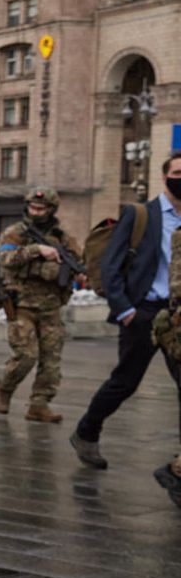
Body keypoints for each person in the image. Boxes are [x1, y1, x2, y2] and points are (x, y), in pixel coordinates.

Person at [71, 154, 181, 470]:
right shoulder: (140, 214)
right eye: (177, 172)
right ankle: (87, 431)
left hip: (177, 315)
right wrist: (125, 310)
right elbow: (110, 265)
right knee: (126, 381)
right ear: (165, 177)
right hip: (143, 312)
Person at [0, 187, 78, 422]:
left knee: (51, 361)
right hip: (21, 304)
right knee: (26, 356)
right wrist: (36, 250)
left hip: (51, 306)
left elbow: (77, 260)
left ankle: (39, 405)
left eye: (41, 209)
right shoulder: (15, 233)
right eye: (33, 207)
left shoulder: (62, 237)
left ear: (51, 210)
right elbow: (5, 259)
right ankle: (4, 389)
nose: (36, 212)